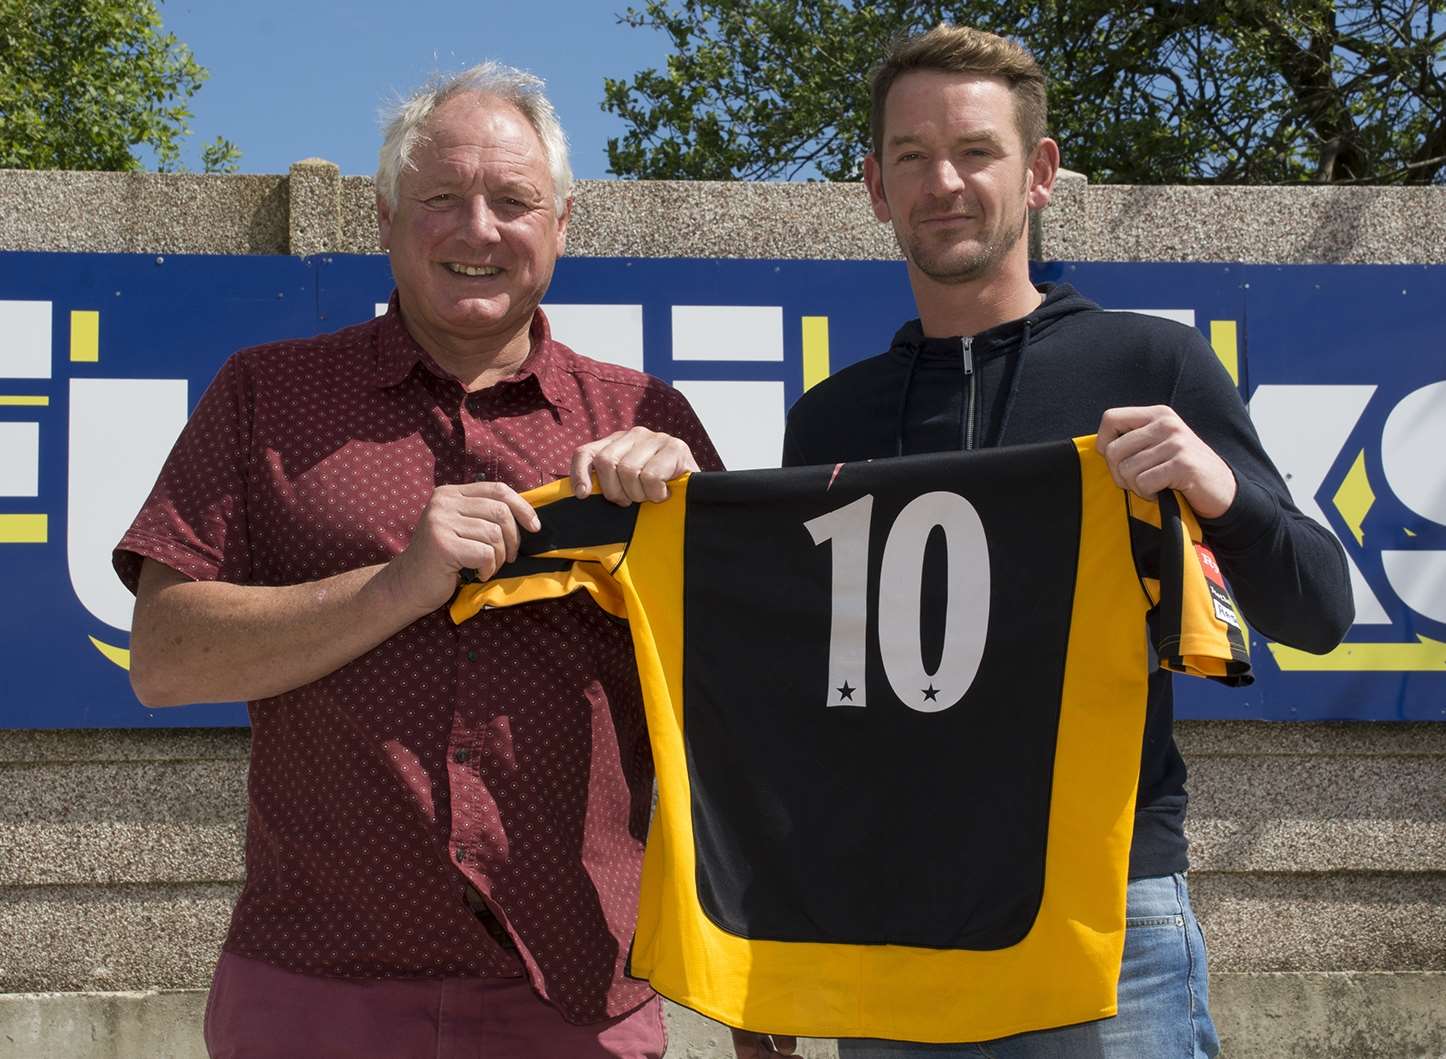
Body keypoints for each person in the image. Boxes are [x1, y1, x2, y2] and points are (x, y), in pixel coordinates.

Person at [731, 24, 1353, 1059]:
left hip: (1108, 923)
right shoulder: (830, 422)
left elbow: (1320, 611)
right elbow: (813, 715)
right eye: (911, 156)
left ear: (1041, 173)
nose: (945, 182)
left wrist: (1216, 492)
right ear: (876, 188)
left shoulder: (1151, 362)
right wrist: (775, 945)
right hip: (894, 932)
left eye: (976, 150)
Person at [116, 62, 720, 1059]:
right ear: (388, 218)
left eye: (514, 202)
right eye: (444, 198)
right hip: (315, 992)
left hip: (575, 996)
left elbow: (737, 706)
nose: (479, 230)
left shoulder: (645, 421)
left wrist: (693, 511)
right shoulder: (269, 397)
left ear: (562, 223)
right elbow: (165, 658)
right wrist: (397, 585)